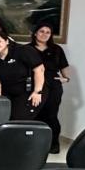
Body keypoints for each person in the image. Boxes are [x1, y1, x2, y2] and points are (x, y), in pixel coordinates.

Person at [30, 22, 70, 153]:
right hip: (34, 86)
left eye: (48, 32)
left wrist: (66, 78)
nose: (44, 34)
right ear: (35, 33)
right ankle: (35, 143)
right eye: (41, 31)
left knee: (51, 115)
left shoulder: (56, 49)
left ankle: (53, 143)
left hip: (53, 86)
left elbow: (64, 66)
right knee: (35, 114)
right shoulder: (27, 49)